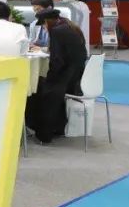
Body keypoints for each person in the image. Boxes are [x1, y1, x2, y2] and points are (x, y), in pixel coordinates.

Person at [26, 8, 88, 144]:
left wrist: (49, 78)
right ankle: (57, 128)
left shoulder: (56, 31)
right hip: (77, 76)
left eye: (43, 25)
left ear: (47, 22)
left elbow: (57, 61)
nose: (44, 27)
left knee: (37, 89)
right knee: (42, 84)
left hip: (66, 78)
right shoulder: (69, 26)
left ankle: (43, 134)